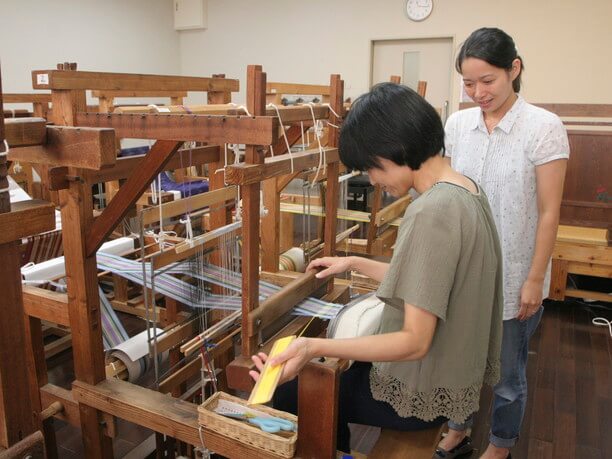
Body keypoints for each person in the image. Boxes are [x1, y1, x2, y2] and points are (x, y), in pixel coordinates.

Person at [250, 82, 504, 455]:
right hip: (453, 373)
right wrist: (353, 262)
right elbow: (429, 285)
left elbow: (414, 342)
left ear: (394, 149)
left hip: (424, 390)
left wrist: (313, 345)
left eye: (372, 167)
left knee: (296, 389)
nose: (372, 180)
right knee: (329, 373)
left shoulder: (431, 211)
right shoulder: (466, 190)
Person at [442, 27, 569, 459]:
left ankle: (501, 443)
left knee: (508, 374)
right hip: (463, 270)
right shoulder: (458, 125)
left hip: (516, 272)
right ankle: (458, 424)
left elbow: (549, 212)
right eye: (468, 82)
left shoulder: (543, 127)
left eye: (487, 80)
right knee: (460, 357)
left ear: (514, 69)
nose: (477, 92)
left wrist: (535, 280)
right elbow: (448, 192)